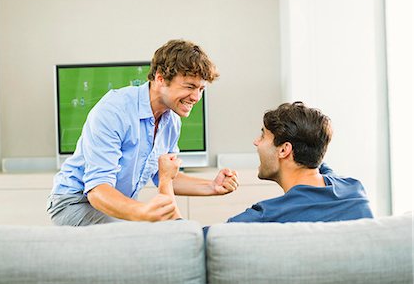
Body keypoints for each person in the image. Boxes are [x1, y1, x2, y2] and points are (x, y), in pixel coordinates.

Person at [47, 39, 239, 226]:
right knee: (143, 238)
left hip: (114, 205)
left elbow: (165, 177)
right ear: (160, 78)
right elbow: (97, 190)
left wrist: (212, 186)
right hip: (75, 202)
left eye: (201, 89)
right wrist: (142, 213)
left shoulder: (172, 121)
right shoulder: (114, 111)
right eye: (189, 87)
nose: (196, 97)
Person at [225, 101, 374, 223]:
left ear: (284, 150)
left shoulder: (269, 215)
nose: (256, 142)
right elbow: (319, 164)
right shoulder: (354, 189)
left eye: (263, 136)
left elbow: (206, 240)